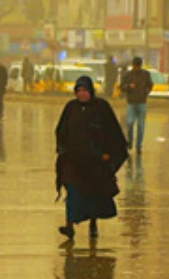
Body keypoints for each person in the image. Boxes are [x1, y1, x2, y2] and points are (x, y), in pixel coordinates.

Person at [55, 76, 129, 242]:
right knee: (72, 192)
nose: (81, 94)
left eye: (85, 91)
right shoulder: (71, 108)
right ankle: (69, 225)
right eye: (78, 91)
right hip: (74, 160)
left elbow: (112, 132)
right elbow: (61, 130)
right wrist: (62, 150)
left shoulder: (100, 108)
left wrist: (107, 154)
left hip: (94, 163)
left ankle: (93, 223)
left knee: (92, 194)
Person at [118, 57, 154, 153]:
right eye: (135, 66)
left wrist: (145, 92)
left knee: (141, 125)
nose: (137, 68)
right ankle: (130, 141)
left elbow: (150, 85)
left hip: (142, 102)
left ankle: (138, 146)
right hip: (131, 103)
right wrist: (129, 86)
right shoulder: (128, 75)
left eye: (138, 66)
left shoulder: (146, 75)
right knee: (130, 123)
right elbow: (121, 86)